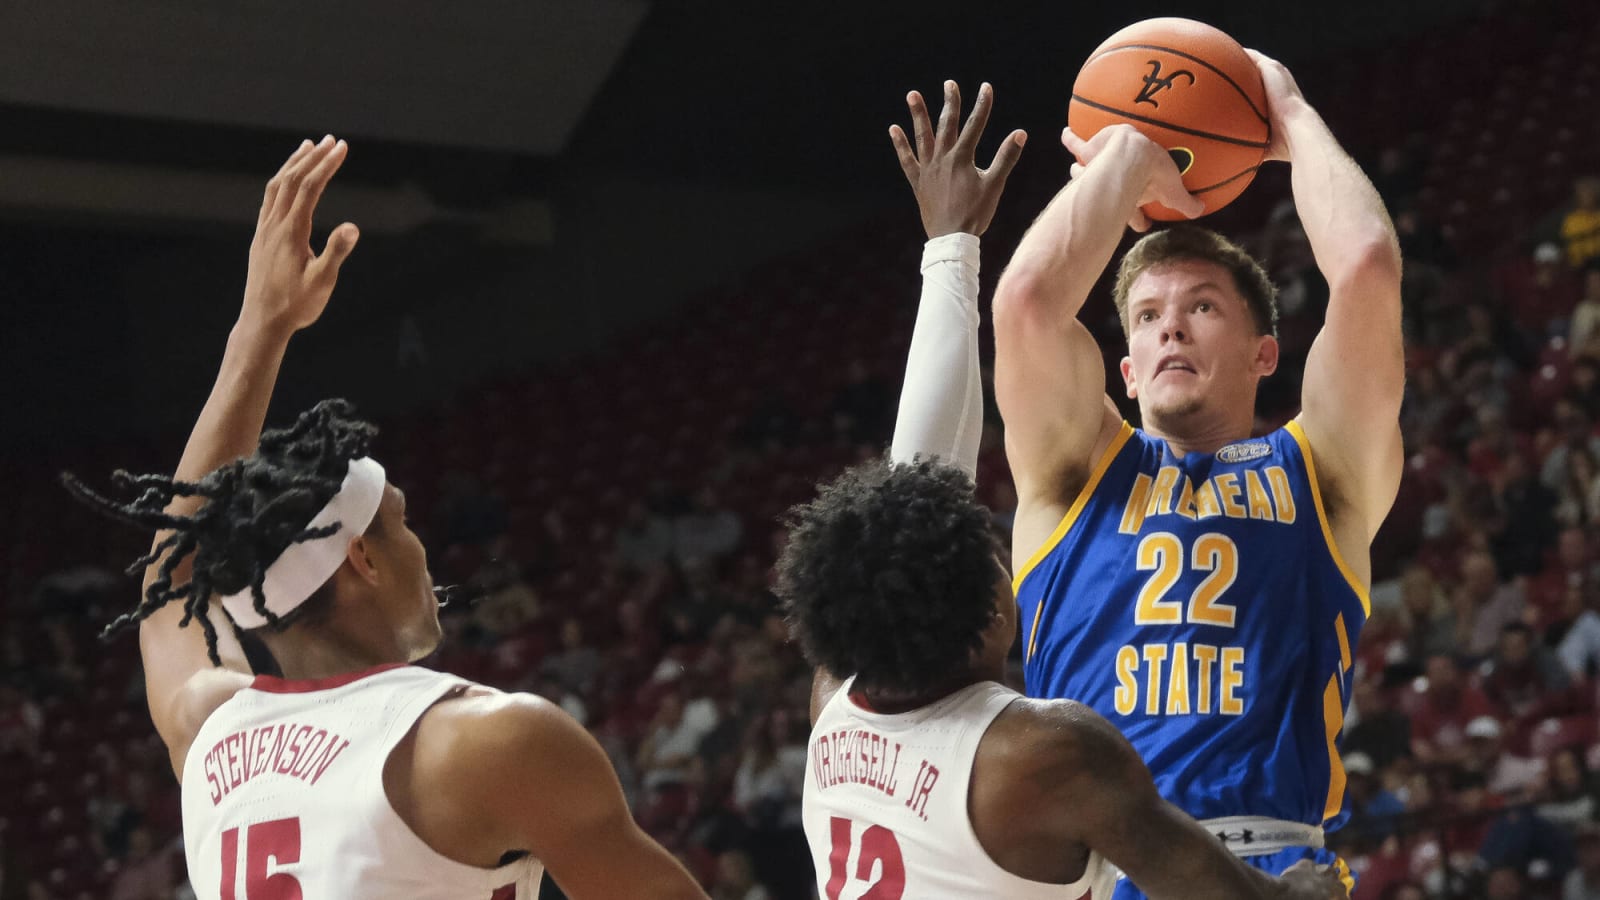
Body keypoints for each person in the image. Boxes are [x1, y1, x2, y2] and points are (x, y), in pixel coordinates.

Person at [62, 137, 705, 899]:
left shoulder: (210, 733)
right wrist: (263, 330)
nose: (421, 547)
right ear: (362, 556)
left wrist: (257, 334)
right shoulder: (485, 742)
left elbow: (170, 577)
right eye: (398, 523)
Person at [891, 53, 1403, 896]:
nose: (1172, 330)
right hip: (1100, 870)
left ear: (1263, 353)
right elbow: (1024, 304)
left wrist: (1290, 112)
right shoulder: (1073, 470)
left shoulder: (1325, 470)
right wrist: (1130, 147)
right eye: (1147, 316)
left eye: (1202, 306)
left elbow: (1368, 268)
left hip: (1269, 863)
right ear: (1123, 370)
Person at [780, 458, 1347, 899]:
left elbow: (879, 554)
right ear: (995, 615)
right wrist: (1296, 892)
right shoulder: (1040, 753)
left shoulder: (830, 701)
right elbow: (1207, 888)